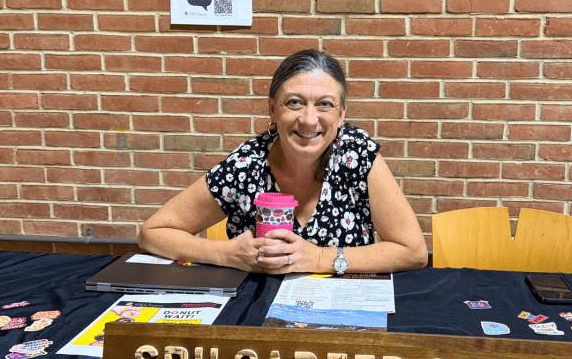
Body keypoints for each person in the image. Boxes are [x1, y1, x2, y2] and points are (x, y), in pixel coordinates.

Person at [138, 49, 428, 275]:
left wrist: (319, 258)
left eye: (325, 104)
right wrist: (224, 254)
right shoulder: (246, 165)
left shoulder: (357, 156)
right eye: (294, 102)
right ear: (272, 110)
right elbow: (152, 234)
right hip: (255, 317)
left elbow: (413, 252)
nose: (309, 119)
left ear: (341, 115)